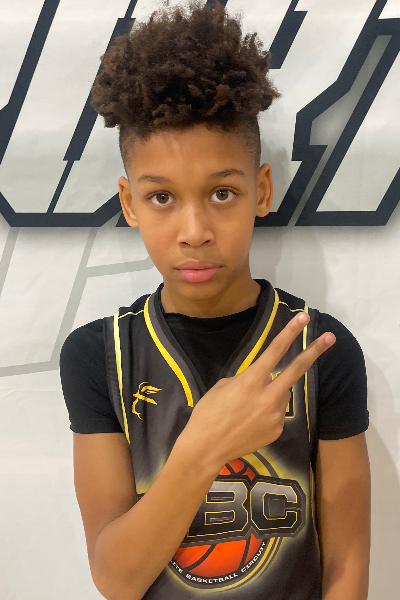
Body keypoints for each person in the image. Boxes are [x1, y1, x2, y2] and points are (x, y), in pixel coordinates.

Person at [59, 2, 370, 599]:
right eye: (162, 198)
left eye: (222, 193)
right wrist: (203, 449)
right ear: (128, 203)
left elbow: (346, 567)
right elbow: (116, 579)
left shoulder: (320, 349)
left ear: (261, 190)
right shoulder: (100, 355)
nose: (195, 231)